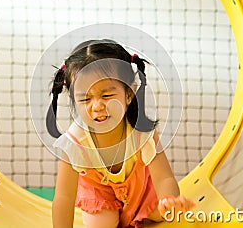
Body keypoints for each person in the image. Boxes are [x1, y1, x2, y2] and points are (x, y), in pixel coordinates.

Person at [46, 39, 194, 228]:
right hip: (98, 193)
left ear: (129, 94)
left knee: (163, 214)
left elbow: (164, 177)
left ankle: (149, 211)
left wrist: (169, 200)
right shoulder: (74, 141)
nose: (97, 106)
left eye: (106, 95)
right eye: (85, 98)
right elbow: (63, 197)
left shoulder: (142, 133)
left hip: (140, 189)